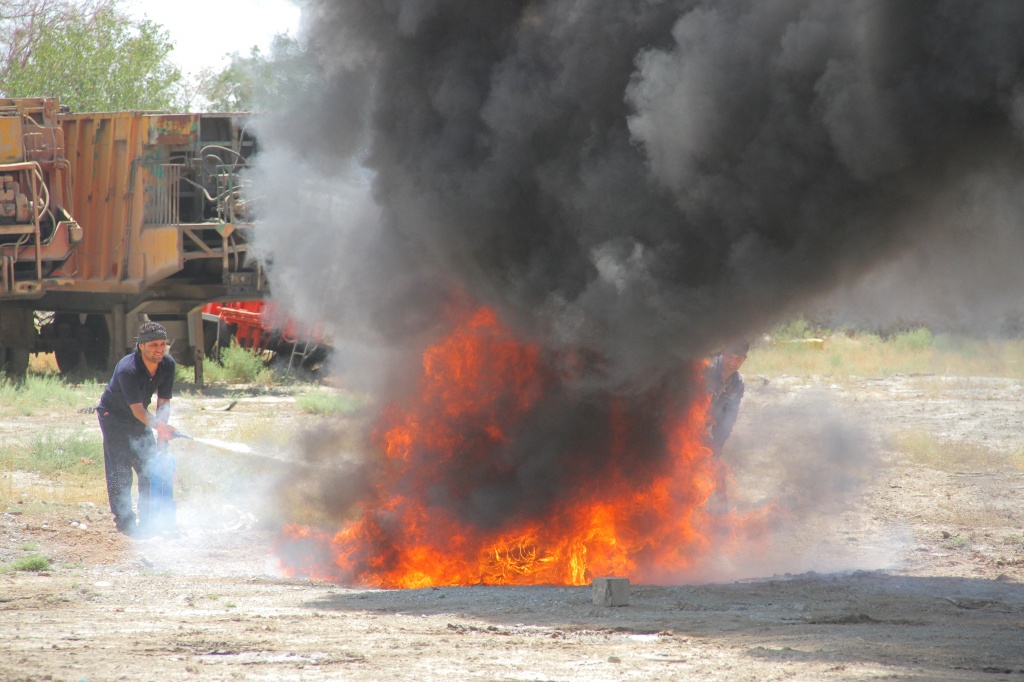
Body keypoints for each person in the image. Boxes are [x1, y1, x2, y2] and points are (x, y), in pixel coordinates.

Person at [97, 321, 179, 535]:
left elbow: (164, 402)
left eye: (162, 344)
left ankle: (150, 520)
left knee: (149, 468)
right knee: (120, 470)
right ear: (141, 346)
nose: (159, 348)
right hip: (113, 417)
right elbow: (138, 411)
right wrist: (160, 426)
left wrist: (162, 431)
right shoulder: (128, 369)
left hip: (140, 419)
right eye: (153, 344)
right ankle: (125, 522)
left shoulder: (167, 364)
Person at [704, 339, 749, 455]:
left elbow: (728, 417)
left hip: (700, 428)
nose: (732, 363)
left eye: (738, 359)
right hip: (679, 427)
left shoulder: (737, 384)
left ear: (744, 360)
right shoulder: (705, 369)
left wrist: (718, 444)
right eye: (729, 356)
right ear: (723, 353)